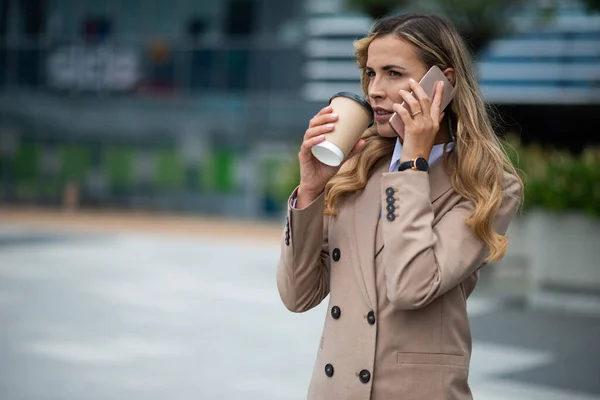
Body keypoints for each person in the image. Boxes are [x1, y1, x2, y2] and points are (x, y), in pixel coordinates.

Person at [276, 12, 523, 400]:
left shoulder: (487, 186)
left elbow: (411, 286)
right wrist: (310, 190)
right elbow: (298, 296)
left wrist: (412, 162)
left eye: (393, 73)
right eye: (371, 73)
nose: (375, 89)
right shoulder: (357, 168)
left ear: (443, 82)